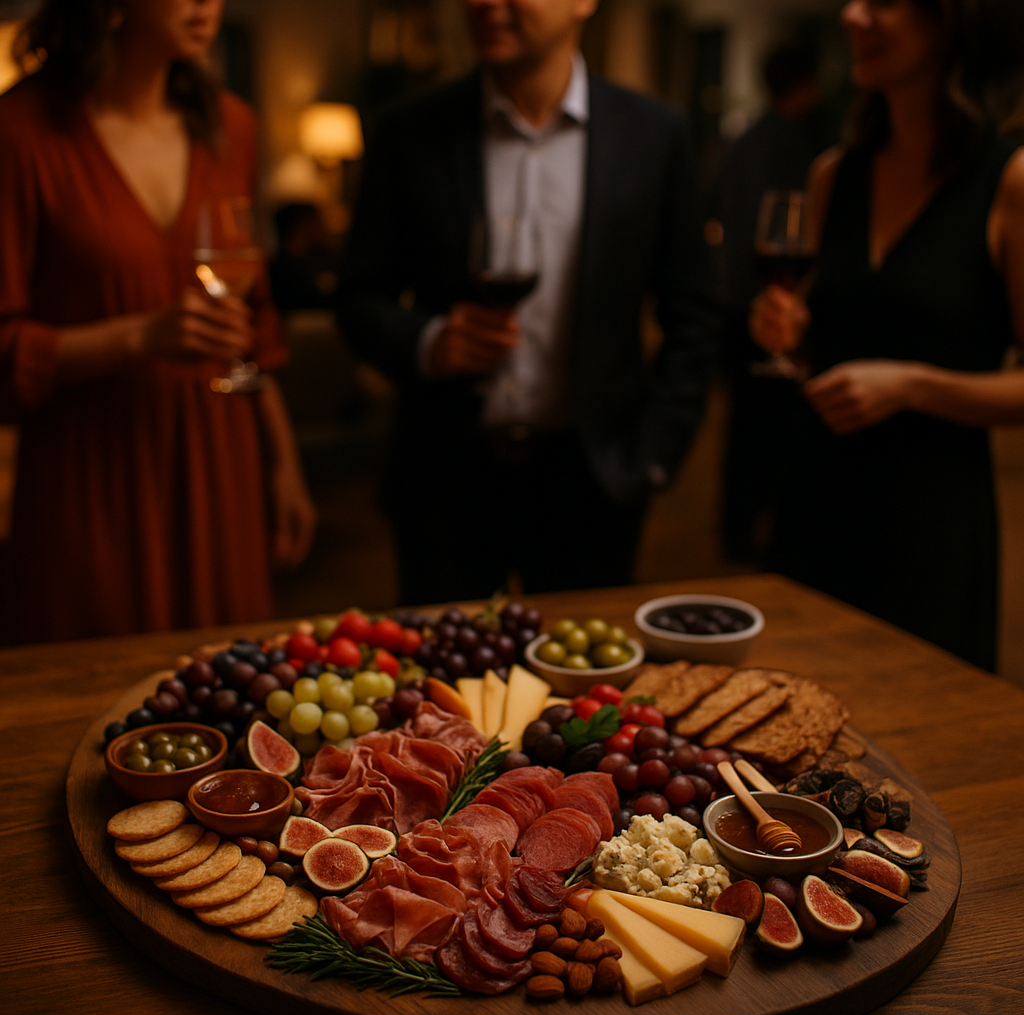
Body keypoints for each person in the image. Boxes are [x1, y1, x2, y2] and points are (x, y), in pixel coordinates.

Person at [336, 0, 717, 606]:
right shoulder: (409, 129)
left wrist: (650, 458)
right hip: (445, 482)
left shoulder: (654, 133)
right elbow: (357, 297)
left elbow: (694, 314)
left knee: (582, 696)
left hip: (593, 481)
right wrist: (431, 343)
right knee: (447, 695)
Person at [0, 0, 317, 644]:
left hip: (220, 459)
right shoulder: (21, 131)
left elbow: (250, 325)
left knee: (225, 688)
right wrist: (141, 334)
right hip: (91, 477)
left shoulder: (231, 126)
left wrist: (283, 461)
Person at [749, 0, 1024, 671]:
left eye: (882, 2)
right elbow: (830, 332)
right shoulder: (833, 175)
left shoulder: (1010, 182)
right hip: (816, 500)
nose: (851, 16)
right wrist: (792, 331)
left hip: (930, 523)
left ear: (952, 20)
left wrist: (912, 385)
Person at [711, 40, 831, 562]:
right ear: (807, 84)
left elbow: (715, 208)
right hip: (774, 312)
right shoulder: (807, 146)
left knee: (743, 429)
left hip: (736, 304)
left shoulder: (743, 138)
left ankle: (736, 532)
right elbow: (808, 230)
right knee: (775, 430)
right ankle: (765, 539)